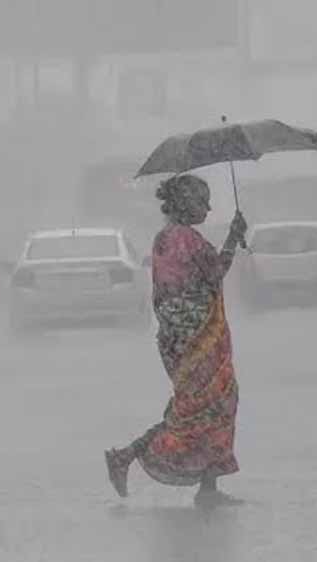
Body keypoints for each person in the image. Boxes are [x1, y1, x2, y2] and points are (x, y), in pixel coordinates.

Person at [104, 174, 248, 509]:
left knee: (200, 407)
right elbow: (214, 274)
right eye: (202, 201)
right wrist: (232, 238)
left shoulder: (165, 238)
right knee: (207, 407)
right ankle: (128, 457)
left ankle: (204, 483)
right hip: (196, 339)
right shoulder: (187, 239)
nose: (207, 208)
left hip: (176, 339)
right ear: (185, 203)